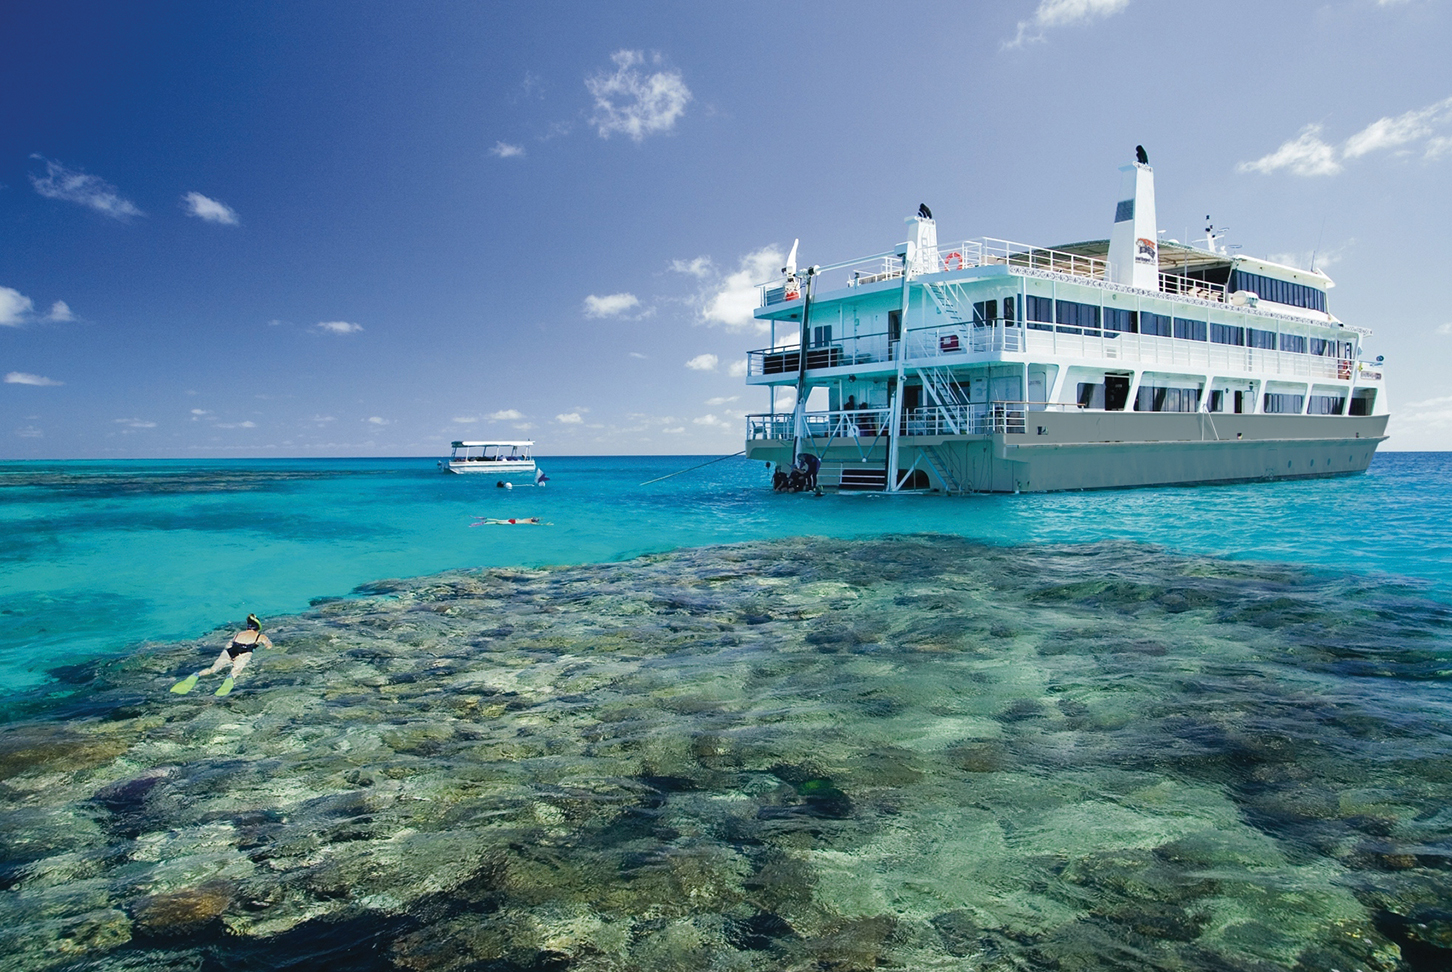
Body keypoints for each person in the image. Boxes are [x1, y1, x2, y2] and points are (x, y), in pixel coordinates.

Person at [170, 614, 272, 697]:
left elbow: (228, 645)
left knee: (212, 670)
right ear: (258, 628)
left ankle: (196, 675)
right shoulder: (260, 636)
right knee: (235, 671)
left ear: (248, 626)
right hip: (244, 653)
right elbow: (269, 646)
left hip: (229, 651)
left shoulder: (238, 634)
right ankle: (229, 678)